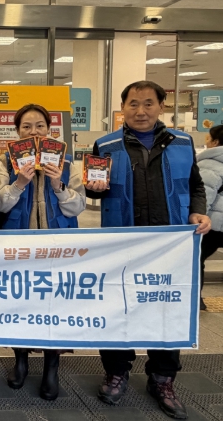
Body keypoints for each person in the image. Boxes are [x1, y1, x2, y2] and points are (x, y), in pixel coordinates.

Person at [86, 81, 210, 420]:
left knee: (168, 309)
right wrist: (93, 188)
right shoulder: (105, 145)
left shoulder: (183, 143)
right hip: (121, 243)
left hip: (170, 246)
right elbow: (95, 190)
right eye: (133, 104)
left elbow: (195, 185)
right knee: (117, 307)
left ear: (160, 107)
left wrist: (198, 211)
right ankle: (116, 372)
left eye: (148, 103)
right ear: (123, 107)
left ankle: (162, 379)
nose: (140, 111)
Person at [0, 103, 85, 400]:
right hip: (18, 247)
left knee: (54, 306)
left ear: (50, 129)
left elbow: (78, 206)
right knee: (19, 303)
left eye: (40, 126)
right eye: (27, 127)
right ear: (17, 131)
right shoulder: (6, 162)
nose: (34, 132)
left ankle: (51, 367)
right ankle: (20, 360)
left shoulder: (66, 163)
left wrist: (58, 185)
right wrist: (19, 183)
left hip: (58, 249)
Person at [196, 125, 223, 311]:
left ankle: (196, 300)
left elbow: (205, 194)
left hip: (214, 224)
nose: (206, 141)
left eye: (208, 138)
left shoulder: (210, 163)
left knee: (196, 258)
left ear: (215, 142)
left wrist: (198, 218)